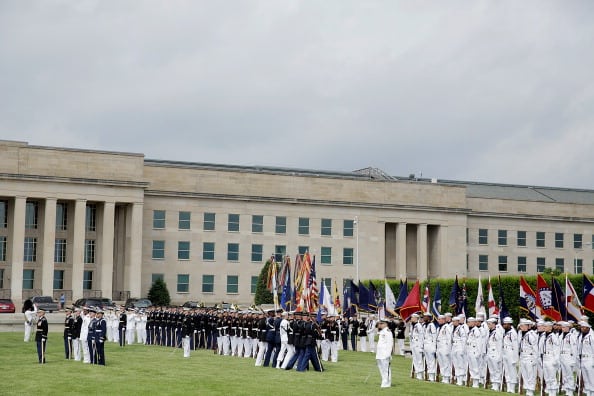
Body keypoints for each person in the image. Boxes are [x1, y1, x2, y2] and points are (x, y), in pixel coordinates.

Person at [519, 318, 538, 396]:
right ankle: (527, 389)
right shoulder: (521, 333)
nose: (521, 327)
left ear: (527, 326)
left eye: (523, 326)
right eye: (521, 326)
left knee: (530, 375)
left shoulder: (531, 335)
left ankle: (530, 390)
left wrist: (534, 359)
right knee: (524, 374)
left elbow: (535, 348)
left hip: (529, 357)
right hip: (523, 356)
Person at [501, 317, 519, 393]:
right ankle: (508, 387)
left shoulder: (513, 333)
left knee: (512, 371)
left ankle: (512, 387)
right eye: (503, 324)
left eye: (505, 324)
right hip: (505, 352)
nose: (504, 325)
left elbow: (515, 346)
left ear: (509, 324)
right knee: (507, 371)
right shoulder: (505, 332)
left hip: (511, 353)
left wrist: (515, 358)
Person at [376, 319, 394, 388]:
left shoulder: (387, 331)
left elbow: (390, 343)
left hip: (385, 353)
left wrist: (388, 354)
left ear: (386, 324)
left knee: (386, 368)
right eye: (380, 323)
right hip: (380, 353)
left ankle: (387, 382)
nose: (380, 325)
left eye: (382, 323)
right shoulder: (381, 331)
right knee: (381, 368)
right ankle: (384, 380)